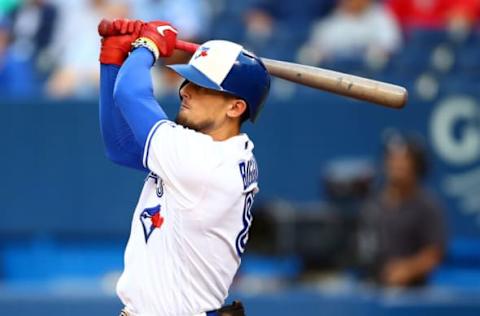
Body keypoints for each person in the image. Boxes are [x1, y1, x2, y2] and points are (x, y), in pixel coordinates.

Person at [98, 18, 270, 315]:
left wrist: (146, 47)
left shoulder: (204, 161)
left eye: (203, 86)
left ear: (236, 107)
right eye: (189, 79)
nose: (185, 90)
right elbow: (121, 146)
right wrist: (112, 61)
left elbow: (131, 94)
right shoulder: (223, 151)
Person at [357, 133, 447, 287]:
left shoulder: (426, 205)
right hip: (370, 286)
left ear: (416, 166)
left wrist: (408, 269)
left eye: (404, 161)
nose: (397, 166)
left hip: (412, 292)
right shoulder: (371, 202)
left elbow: (435, 253)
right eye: (392, 160)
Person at [298, 0, 401, 65]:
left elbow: (391, 46)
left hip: (370, 77)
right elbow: (315, 50)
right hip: (336, 77)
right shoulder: (332, 22)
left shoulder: (381, 18)